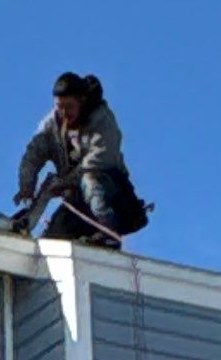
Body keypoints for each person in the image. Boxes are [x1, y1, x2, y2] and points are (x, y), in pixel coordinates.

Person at [11, 73, 149, 243]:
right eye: (59, 106)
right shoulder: (52, 125)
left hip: (110, 193)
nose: (64, 113)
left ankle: (109, 235)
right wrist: (27, 186)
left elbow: (100, 158)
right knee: (54, 238)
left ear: (82, 101)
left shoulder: (101, 120)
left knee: (89, 180)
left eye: (69, 106)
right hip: (77, 198)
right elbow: (33, 155)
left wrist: (66, 181)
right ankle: (26, 226)